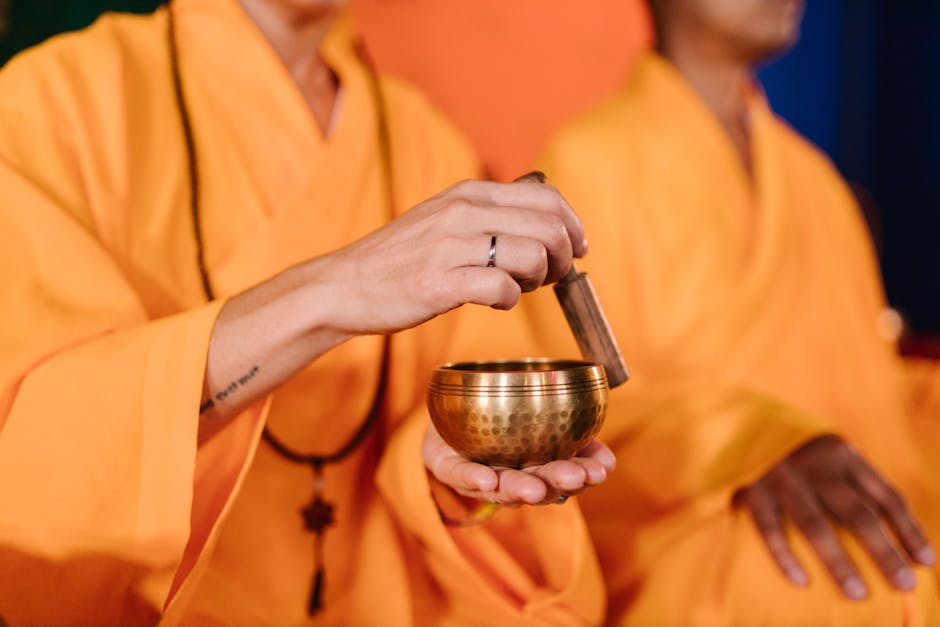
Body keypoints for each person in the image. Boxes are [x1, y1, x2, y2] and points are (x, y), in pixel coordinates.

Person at [0, 0, 615, 624]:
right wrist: (331, 292)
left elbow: (428, 429)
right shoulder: (52, 106)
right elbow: (31, 452)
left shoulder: (423, 144)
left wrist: (449, 476)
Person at [513, 0, 940, 623]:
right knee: (829, 589)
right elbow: (576, 419)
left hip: (862, 504)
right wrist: (757, 443)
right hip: (690, 541)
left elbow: (876, 392)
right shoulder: (590, 162)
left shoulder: (815, 181)